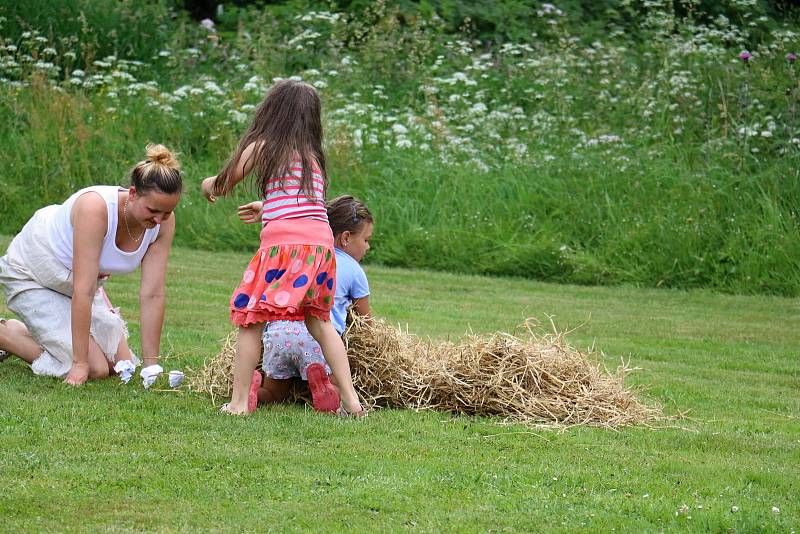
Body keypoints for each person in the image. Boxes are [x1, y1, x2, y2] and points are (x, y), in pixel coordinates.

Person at [201, 79, 365, 416]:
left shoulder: (262, 146)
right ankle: (352, 401)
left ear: (271, 112)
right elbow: (302, 204)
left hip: (283, 247)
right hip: (320, 246)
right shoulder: (313, 158)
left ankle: (237, 402)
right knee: (319, 321)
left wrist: (207, 185)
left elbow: (222, 183)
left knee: (251, 319)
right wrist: (266, 206)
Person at [0, 144, 182, 385]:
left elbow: (153, 294)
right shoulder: (95, 209)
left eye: (167, 213)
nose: (159, 220)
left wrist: (151, 365)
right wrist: (79, 364)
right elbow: (82, 290)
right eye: (153, 210)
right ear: (134, 193)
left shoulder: (162, 224)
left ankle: (33, 332)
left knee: (119, 365)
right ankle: (5, 335)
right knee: (96, 368)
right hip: (34, 271)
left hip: (80, 281)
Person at [237, 195, 373, 411]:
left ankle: (255, 391)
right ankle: (326, 389)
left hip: (278, 335)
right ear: (346, 237)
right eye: (366, 240)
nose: (367, 247)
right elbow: (366, 321)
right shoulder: (355, 270)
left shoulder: (301, 256)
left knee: (275, 393)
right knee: (338, 381)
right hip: (316, 341)